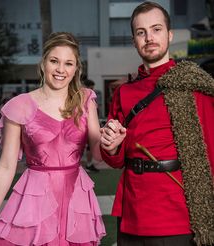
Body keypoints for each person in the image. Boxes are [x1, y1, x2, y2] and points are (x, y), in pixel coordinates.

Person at [100, 2, 214, 246]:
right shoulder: (123, 92)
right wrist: (111, 147)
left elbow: (211, 151)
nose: (149, 37)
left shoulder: (195, 86)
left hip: (178, 214)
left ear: (169, 35)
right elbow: (115, 159)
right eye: (141, 32)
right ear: (134, 40)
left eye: (156, 29)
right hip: (132, 212)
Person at [0, 32, 105, 246]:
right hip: (34, 197)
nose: (60, 70)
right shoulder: (19, 105)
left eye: (68, 63)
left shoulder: (85, 101)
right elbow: (7, 165)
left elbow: (98, 154)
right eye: (54, 61)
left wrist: (113, 140)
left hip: (76, 197)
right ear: (43, 62)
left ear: (76, 69)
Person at [83, 79, 100, 172]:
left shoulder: (89, 96)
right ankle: (88, 165)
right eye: (91, 87)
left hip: (90, 124)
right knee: (89, 146)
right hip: (86, 125)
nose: (93, 89)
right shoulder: (85, 95)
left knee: (90, 146)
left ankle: (89, 164)